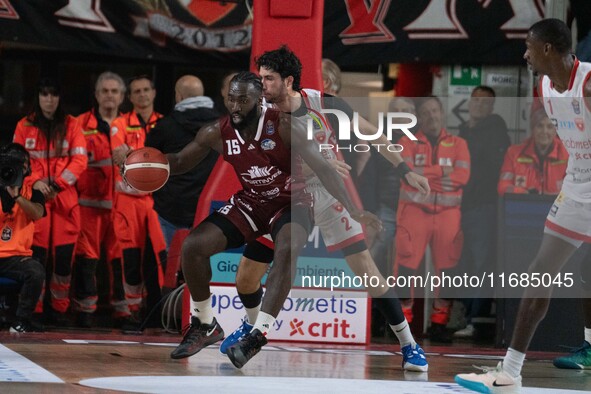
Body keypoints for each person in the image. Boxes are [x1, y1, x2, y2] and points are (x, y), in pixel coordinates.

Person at [219, 47, 430, 372]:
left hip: (327, 194)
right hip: (284, 195)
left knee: (368, 272)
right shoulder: (257, 112)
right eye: (259, 78)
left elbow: (372, 134)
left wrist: (405, 170)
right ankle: (252, 326)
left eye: (268, 79)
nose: (261, 85)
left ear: (288, 81)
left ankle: (410, 346)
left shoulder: (325, 104)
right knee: (246, 277)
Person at [166, 71, 380, 368]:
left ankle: (258, 334)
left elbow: (325, 169)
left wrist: (353, 209)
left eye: (244, 100)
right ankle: (204, 324)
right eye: (231, 99)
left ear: (259, 101)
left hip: (294, 202)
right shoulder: (216, 131)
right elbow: (178, 162)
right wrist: (138, 162)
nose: (236, 106)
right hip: (254, 202)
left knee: (287, 249)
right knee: (193, 247)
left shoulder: (284, 126)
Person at [455, 18, 591, 392]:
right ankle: (510, 374)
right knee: (540, 271)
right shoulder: (544, 86)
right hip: (578, 187)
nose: (525, 53)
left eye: (530, 46)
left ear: (548, 49)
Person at [395, 96, 470, 343]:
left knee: (448, 270)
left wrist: (424, 175)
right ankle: (404, 325)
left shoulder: (459, 143)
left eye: (435, 111)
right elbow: (406, 175)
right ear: (419, 117)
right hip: (414, 212)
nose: (432, 116)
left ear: (442, 113)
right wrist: (440, 172)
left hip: (449, 215)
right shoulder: (406, 142)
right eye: (426, 112)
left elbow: (462, 176)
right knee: (405, 268)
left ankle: (439, 323)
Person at [13, 78, 88, 325]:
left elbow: (79, 161)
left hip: (64, 198)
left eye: (53, 94)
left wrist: (56, 185)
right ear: (38, 97)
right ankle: (33, 311)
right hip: (35, 198)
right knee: (37, 257)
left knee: (65, 259)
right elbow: (17, 161)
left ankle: (58, 310)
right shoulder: (25, 125)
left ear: (59, 98)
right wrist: (34, 182)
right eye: (44, 94)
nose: (49, 99)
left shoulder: (71, 124)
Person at [110, 75, 167, 328]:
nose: (142, 95)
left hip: (155, 202)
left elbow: (129, 156)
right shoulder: (120, 123)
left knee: (158, 259)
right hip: (127, 202)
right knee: (130, 259)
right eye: (137, 91)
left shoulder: (163, 123)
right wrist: (148, 158)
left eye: (146, 90)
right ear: (130, 97)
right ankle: (134, 311)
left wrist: (132, 154)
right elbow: (117, 155)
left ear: (154, 93)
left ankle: (157, 310)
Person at [455, 85, 510, 340]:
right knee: (463, 262)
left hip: (483, 206)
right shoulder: (464, 130)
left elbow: (487, 168)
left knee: (480, 262)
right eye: (476, 101)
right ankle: (467, 316)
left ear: (492, 107)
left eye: (485, 102)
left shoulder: (496, 130)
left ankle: (476, 319)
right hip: (460, 206)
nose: (479, 106)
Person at [74, 71, 127, 327]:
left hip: (123, 206)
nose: (109, 95)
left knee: (120, 260)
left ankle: (123, 312)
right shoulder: (79, 124)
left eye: (114, 91)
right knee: (87, 260)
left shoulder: (131, 125)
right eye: (104, 91)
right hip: (89, 205)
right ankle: (85, 311)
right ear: (96, 95)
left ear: (121, 96)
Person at [145, 75, 219, 248]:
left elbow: (148, 163)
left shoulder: (164, 127)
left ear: (179, 96)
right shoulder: (223, 126)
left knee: (169, 267)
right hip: (209, 211)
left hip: (169, 210)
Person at [0, 143, 46, 333]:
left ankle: (21, 321)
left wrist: (17, 197)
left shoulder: (32, 192)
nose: (20, 168)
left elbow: (37, 213)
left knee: (35, 271)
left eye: (23, 164)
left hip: (16, 258)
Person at [498, 109, 567, 196]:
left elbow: (574, 191)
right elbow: (503, 187)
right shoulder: (514, 153)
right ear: (532, 128)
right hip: (523, 206)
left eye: (550, 127)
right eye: (539, 126)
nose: (544, 131)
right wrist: (523, 192)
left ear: (556, 131)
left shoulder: (567, 155)